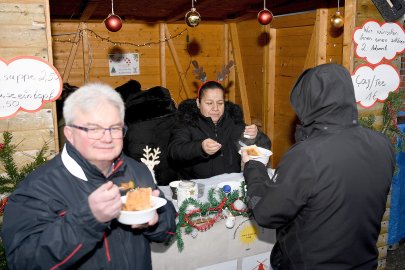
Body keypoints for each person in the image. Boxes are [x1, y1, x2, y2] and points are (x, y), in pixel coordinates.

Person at [2, 83, 176, 270]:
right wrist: (88, 219)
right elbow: (23, 263)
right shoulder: (36, 189)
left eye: (115, 128)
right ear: (69, 133)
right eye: (93, 129)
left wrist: (155, 219)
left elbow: (167, 229)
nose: (107, 138)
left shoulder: (137, 171)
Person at [242, 63, 395, 269]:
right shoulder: (382, 144)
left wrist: (253, 166)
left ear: (308, 102)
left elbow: (267, 213)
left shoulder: (306, 155)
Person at [168, 80, 271, 180]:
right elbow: (174, 151)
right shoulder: (187, 123)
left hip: (231, 186)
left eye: (220, 103)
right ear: (198, 103)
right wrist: (200, 147)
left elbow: (265, 146)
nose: (215, 108)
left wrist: (255, 136)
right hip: (196, 188)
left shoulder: (233, 122)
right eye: (209, 103)